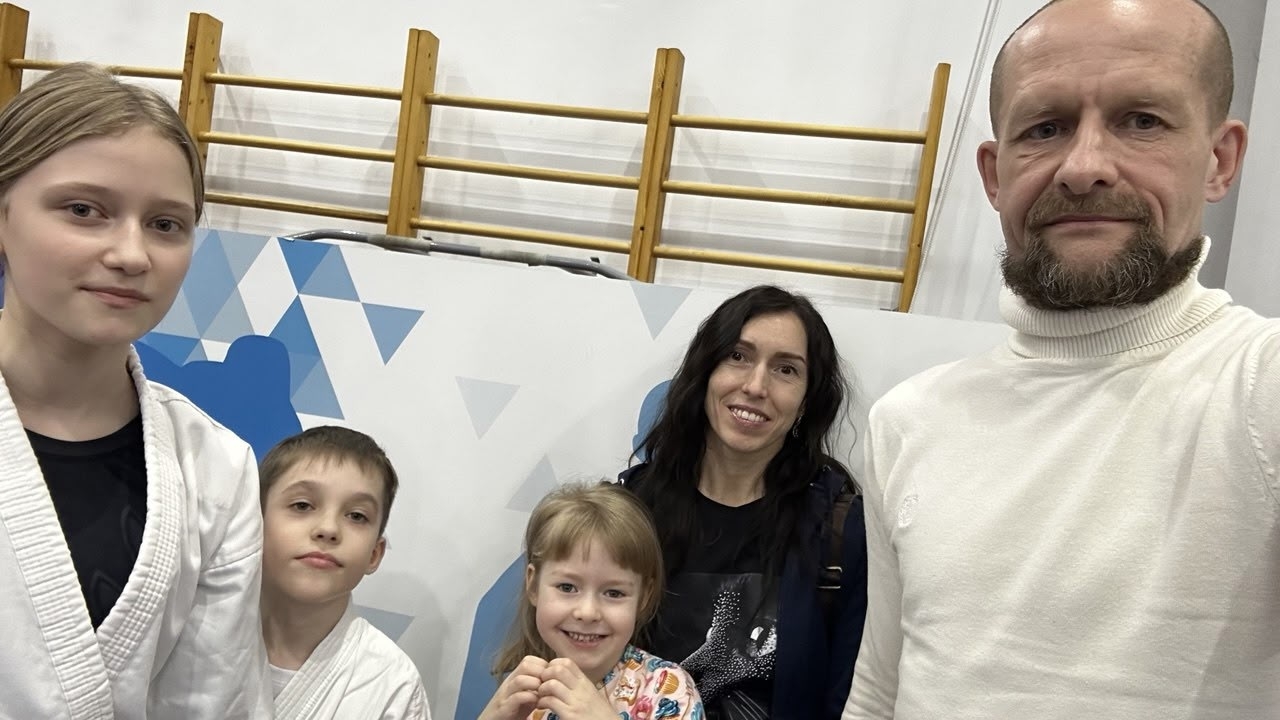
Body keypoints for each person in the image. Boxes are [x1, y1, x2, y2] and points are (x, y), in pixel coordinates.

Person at [844, 1, 1278, 718]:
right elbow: (879, 689)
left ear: (1219, 159)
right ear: (994, 174)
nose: (1083, 168)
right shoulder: (907, 421)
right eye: (1045, 128)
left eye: (1142, 120)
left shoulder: (1260, 386)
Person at [0, 63, 269, 717]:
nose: (132, 254)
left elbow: (211, 701)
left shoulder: (216, 468)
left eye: (166, 224)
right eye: (84, 210)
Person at [623, 285, 867, 720]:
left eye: (786, 369)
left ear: (806, 400)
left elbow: (852, 701)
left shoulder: (841, 532)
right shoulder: (629, 513)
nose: (755, 386)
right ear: (706, 371)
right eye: (737, 356)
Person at [481, 482, 704, 720]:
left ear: (643, 597)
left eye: (614, 593)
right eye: (567, 587)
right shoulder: (524, 692)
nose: (587, 612)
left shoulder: (668, 689)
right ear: (533, 585)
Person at [259, 425, 432, 719]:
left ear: (374, 554)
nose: (328, 529)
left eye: (356, 516)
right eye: (302, 505)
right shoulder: (199, 637)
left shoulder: (392, 684)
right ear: (253, 523)